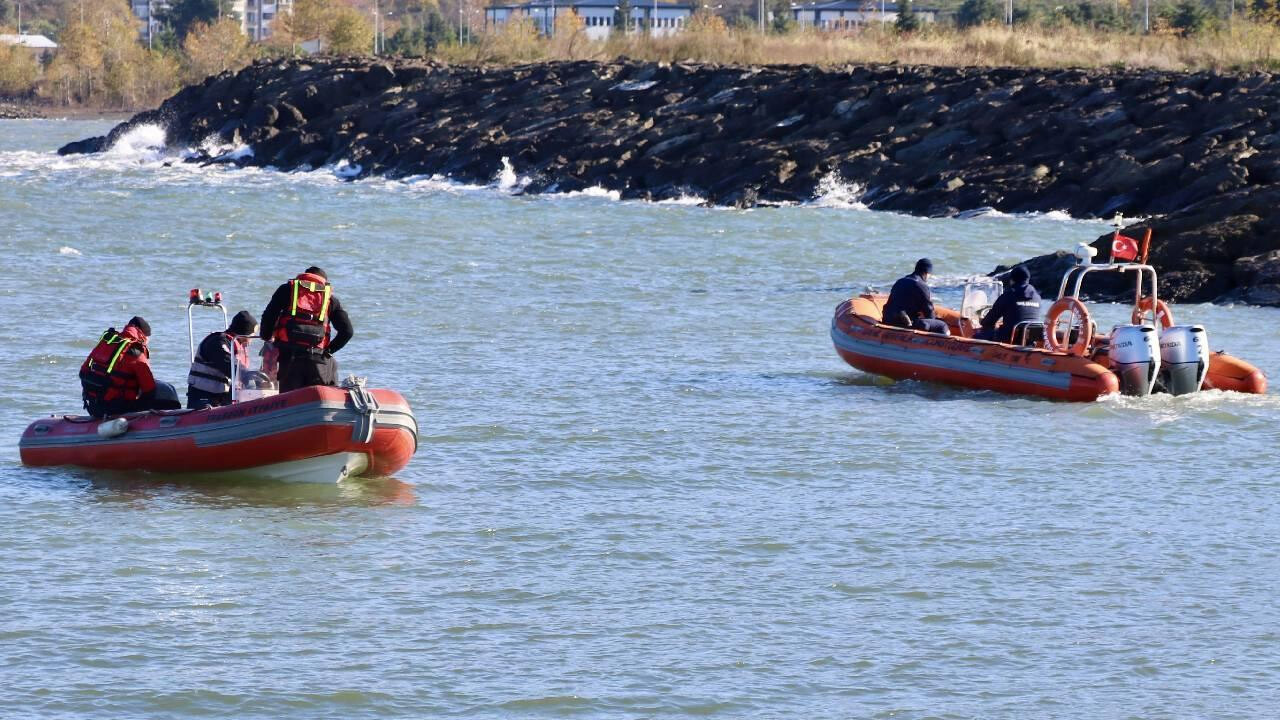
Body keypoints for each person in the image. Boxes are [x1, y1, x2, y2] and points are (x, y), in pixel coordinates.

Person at [260, 266, 353, 393]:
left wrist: (266, 336)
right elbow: (347, 331)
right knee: (318, 399)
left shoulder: (287, 290)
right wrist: (328, 351)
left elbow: (268, 316)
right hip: (318, 360)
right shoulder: (330, 299)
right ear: (323, 282)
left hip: (289, 358)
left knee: (290, 402)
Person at [80, 316, 158, 418]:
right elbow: (149, 389)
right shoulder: (135, 352)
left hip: (93, 407)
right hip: (116, 409)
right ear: (144, 336)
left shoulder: (107, 342)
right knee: (163, 399)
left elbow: (83, 371)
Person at [187, 310, 258, 410]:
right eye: (251, 335)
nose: (252, 339)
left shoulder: (237, 346)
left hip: (223, 399)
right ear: (244, 333)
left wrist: (259, 378)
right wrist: (248, 376)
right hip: (203, 398)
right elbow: (228, 364)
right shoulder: (216, 342)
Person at [975, 265, 1042, 343]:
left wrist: (981, 321)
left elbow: (989, 322)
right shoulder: (1037, 297)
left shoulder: (1009, 295)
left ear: (1012, 280)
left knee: (980, 334)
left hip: (1010, 339)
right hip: (1031, 339)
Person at [882, 258, 949, 335]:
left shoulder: (900, 281)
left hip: (888, 320)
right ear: (927, 272)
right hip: (905, 324)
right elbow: (929, 312)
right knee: (942, 325)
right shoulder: (922, 286)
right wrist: (935, 321)